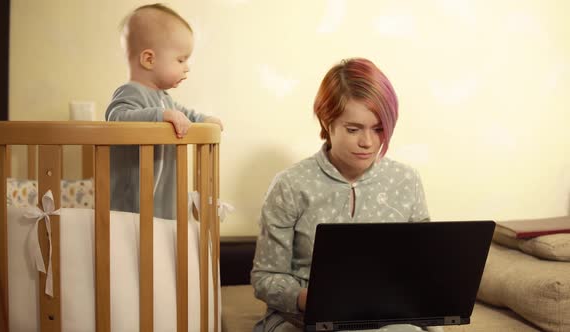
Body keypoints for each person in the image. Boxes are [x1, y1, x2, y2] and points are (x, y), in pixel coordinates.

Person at [251, 58, 437, 332]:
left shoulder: (406, 180)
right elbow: (265, 276)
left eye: (379, 129)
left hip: (386, 318)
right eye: (353, 129)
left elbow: (425, 263)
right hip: (302, 319)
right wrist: (307, 299)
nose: (368, 142)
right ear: (327, 122)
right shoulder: (290, 185)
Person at [105, 3, 222, 219]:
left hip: (161, 207)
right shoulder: (130, 92)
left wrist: (204, 119)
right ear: (149, 59)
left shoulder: (164, 99)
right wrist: (161, 116)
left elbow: (184, 113)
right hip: (130, 209)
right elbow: (117, 119)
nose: (187, 67)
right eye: (181, 60)